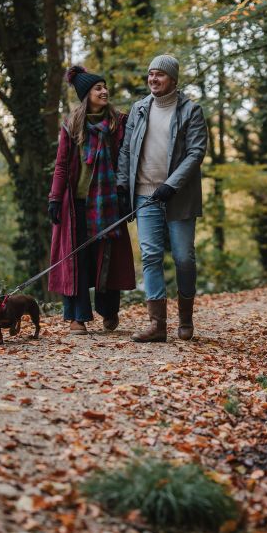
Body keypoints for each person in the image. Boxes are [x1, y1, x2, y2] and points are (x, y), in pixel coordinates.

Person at [117, 55, 208, 343]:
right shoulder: (139, 109)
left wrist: (171, 184)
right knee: (150, 256)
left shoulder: (191, 110)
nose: (153, 79)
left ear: (173, 79)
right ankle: (157, 325)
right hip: (145, 195)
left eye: (160, 74)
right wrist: (122, 189)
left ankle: (185, 318)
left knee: (183, 258)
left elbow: (196, 152)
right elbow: (126, 152)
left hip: (178, 197)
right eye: (150, 74)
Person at [47, 66, 136, 333]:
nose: (104, 91)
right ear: (87, 94)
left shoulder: (120, 123)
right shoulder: (72, 125)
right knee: (77, 259)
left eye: (105, 87)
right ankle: (77, 317)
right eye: (98, 88)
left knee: (107, 257)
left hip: (108, 202)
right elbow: (62, 164)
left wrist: (124, 194)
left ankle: (109, 311)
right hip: (76, 204)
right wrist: (54, 197)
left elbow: (127, 158)